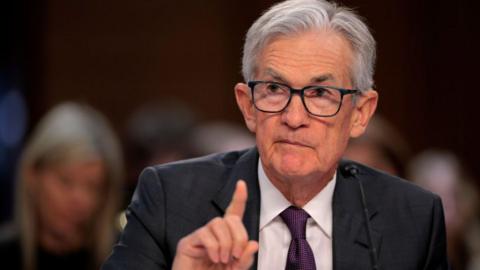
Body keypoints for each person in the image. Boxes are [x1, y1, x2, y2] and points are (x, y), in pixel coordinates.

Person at [103, 0, 449, 269]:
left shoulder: (412, 218)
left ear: (360, 114)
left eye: (319, 93)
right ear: (248, 104)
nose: (294, 117)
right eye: (273, 88)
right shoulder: (170, 200)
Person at [0, 102, 124, 270]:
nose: (79, 200)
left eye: (93, 187)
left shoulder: (125, 257)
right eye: (66, 181)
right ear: (32, 175)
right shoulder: (6, 254)